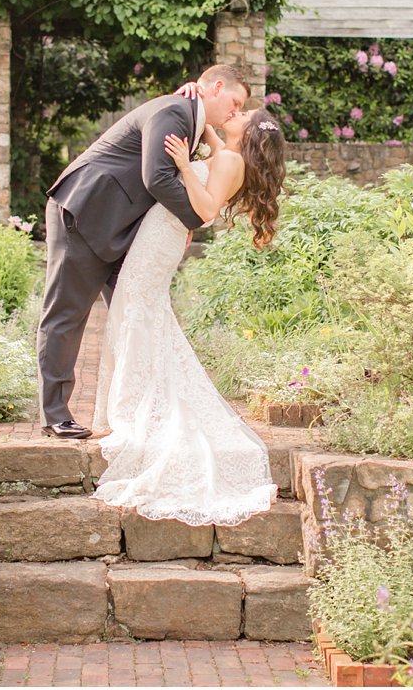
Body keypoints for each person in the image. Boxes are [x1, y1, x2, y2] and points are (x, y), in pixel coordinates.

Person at [90, 103, 287, 526]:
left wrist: (182, 166)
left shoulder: (232, 159)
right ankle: (130, 400)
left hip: (163, 237)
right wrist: (197, 100)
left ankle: (130, 407)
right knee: (139, 310)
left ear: (247, 133)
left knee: (139, 310)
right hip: (162, 234)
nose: (233, 114)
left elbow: (207, 209)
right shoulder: (229, 152)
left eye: (242, 114)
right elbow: (215, 137)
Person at [37, 64, 249, 440]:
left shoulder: (190, 119)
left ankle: (141, 407)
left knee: (136, 313)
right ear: (216, 87)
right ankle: (55, 414)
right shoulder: (174, 111)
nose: (235, 112)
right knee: (66, 314)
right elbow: (157, 177)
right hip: (84, 211)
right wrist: (193, 221)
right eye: (235, 102)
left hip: (119, 227)